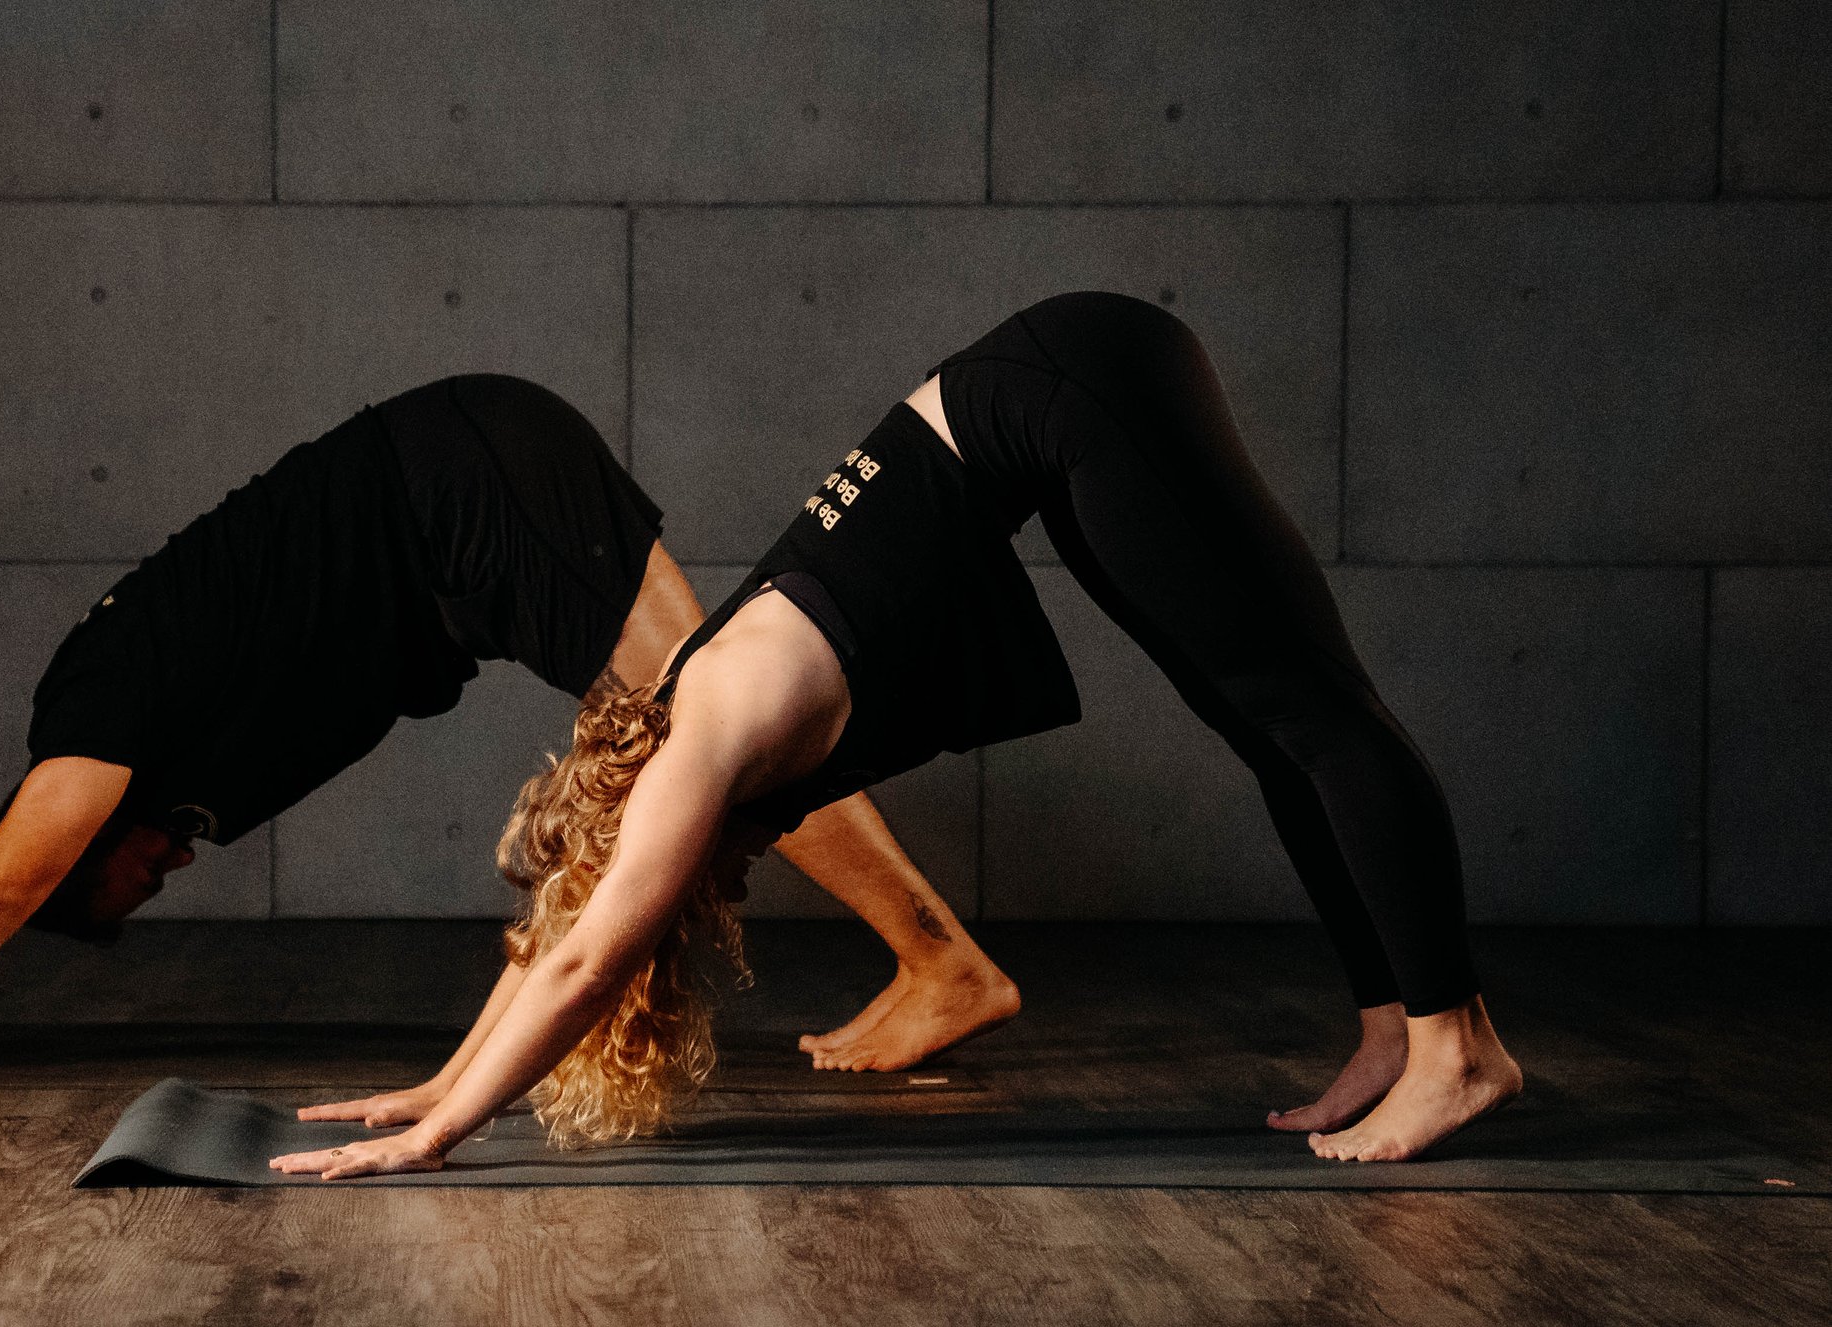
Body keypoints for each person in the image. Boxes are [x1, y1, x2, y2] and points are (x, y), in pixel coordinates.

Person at [274, 294, 1522, 1179]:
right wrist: (440, 1077)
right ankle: (1388, 1026)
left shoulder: (703, 739)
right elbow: (556, 932)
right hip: (1057, 386)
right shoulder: (674, 731)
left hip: (1076, 380)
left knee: (1308, 705)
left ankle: (1456, 1046)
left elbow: (582, 962)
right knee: (1265, 723)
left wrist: (438, 1136)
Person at [0, 375, 1010, 1085]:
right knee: (713, 717)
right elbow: (10, 874)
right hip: (471, 477)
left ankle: (940, 960)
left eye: (127, 881)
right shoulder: (141, 739)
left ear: (88, 844)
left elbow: (5, 873)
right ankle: (931, 957)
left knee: (713, 726)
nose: (164, 875)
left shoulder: (89, 711)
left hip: (460, 488)